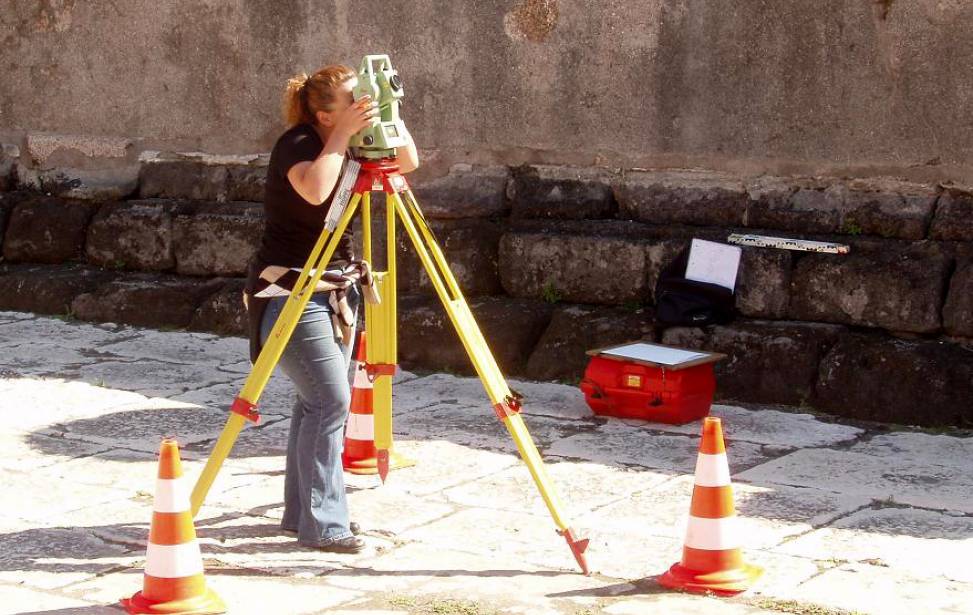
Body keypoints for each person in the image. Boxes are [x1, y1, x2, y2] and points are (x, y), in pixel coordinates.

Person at [243, 64, 419, 553]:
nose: (364, 103)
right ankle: (324, 525)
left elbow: (407, 162)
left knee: (315, 402)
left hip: (336, 286)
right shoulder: (298, 144)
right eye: (353, 98)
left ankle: (302, 515)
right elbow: (316, 190)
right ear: (324, 114)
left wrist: (390, 114)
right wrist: (341, 136)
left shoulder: (355, 138)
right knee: (329, 401)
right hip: (290, 291)